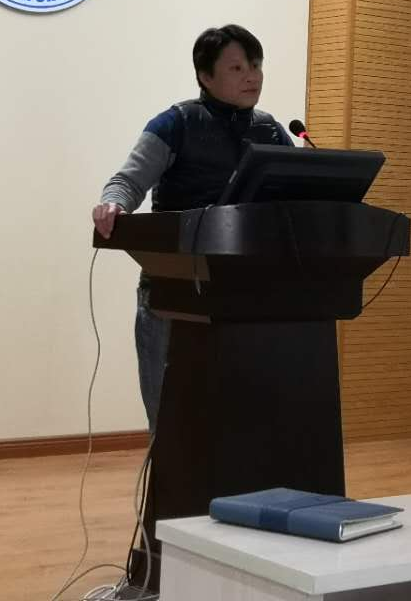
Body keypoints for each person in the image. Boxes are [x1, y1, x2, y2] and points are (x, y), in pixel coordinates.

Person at [92, 24, 291, 428]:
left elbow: (296, 190)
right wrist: (114, 204)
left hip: (244, 291)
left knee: (235, 423)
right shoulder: (176, 123)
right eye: (236, 68)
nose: (252, 76)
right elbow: (127, 181)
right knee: (173, 423)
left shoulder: (270, 130)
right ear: (205, 76)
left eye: (256, 65)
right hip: (175, 289)